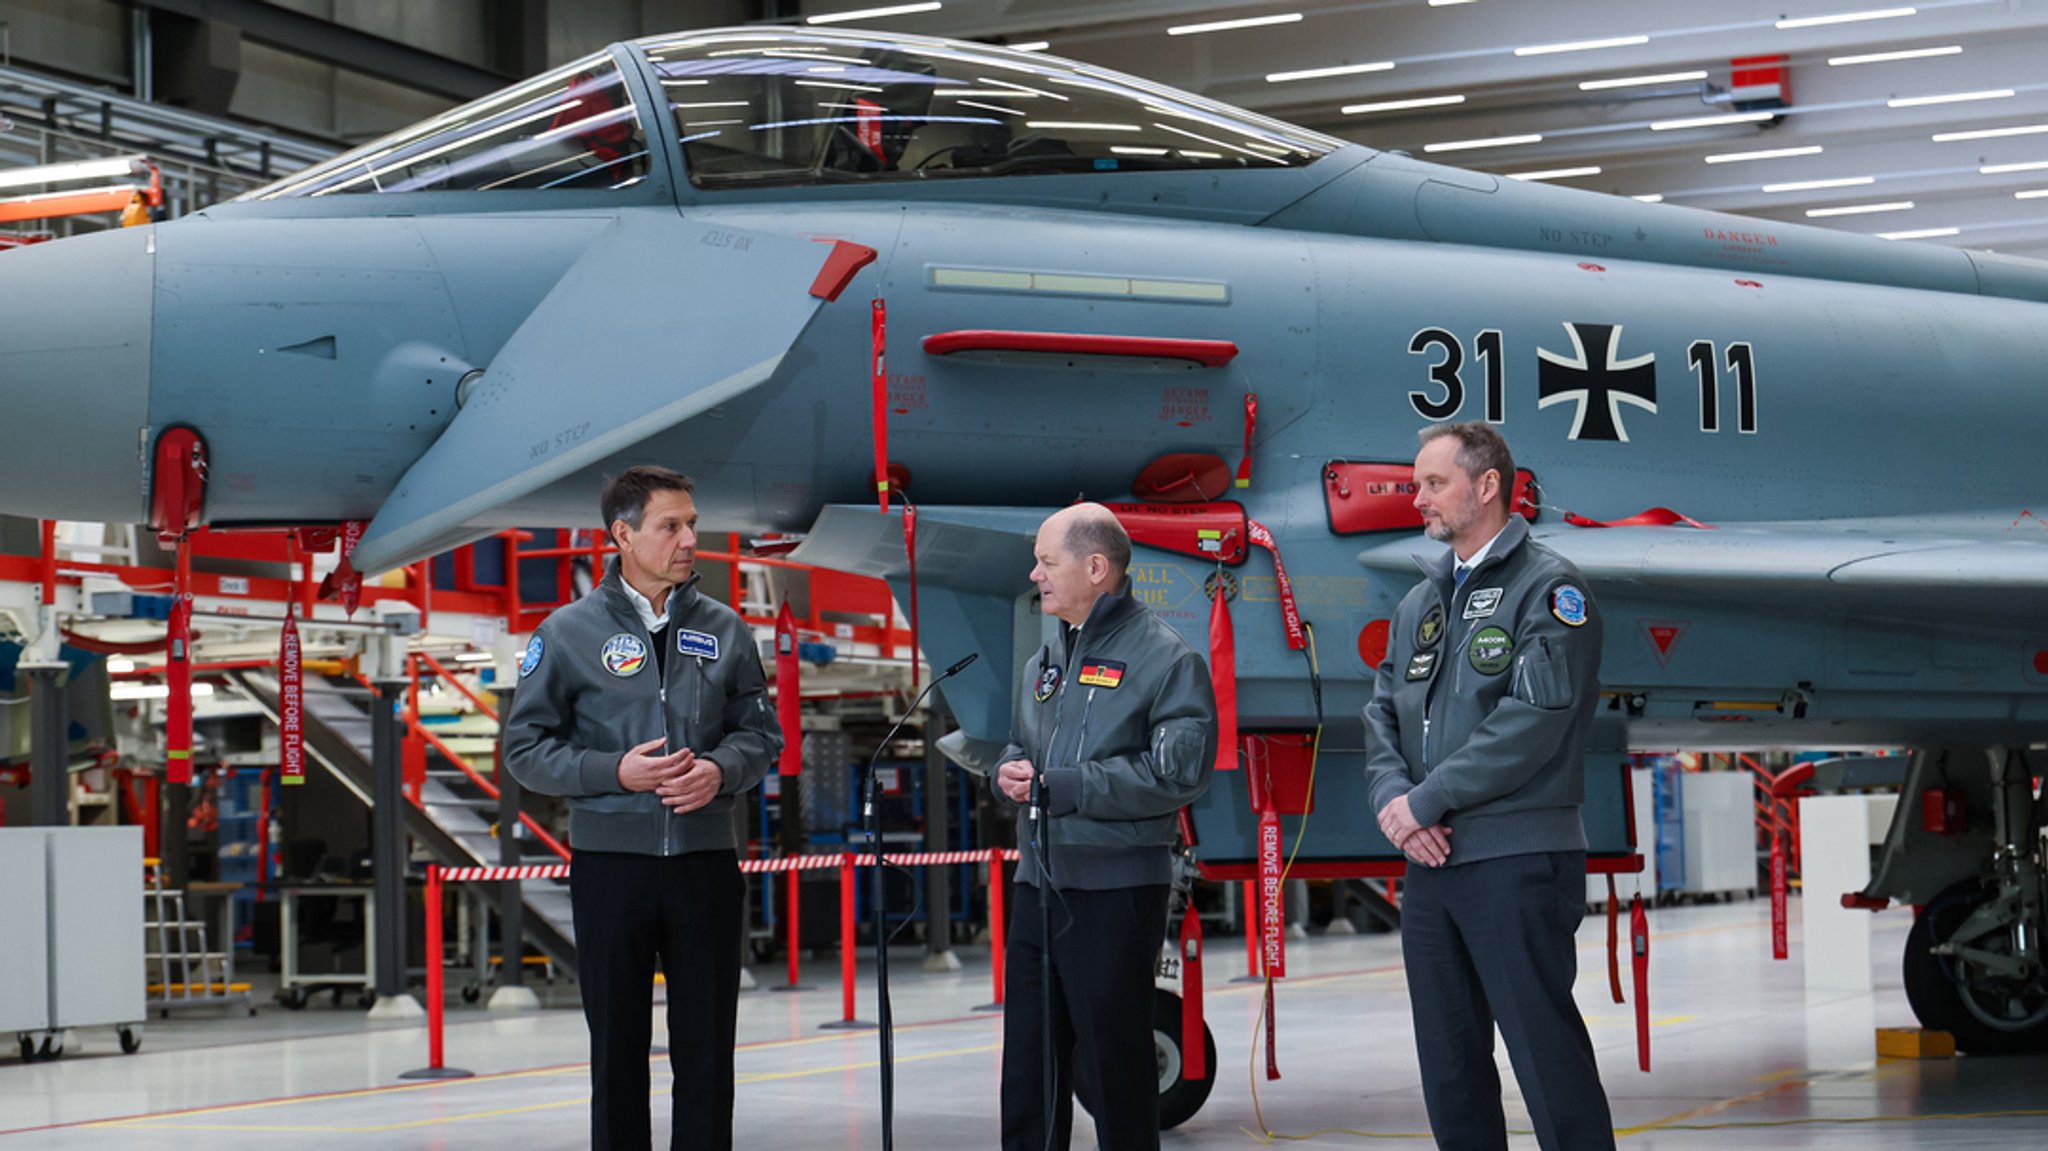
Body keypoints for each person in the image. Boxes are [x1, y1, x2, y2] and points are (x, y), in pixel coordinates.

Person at [504, 465, 780, 1151]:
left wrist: (720, 769)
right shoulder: (566, 633)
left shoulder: (726, 629)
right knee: (617, 1051)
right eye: (671, 525)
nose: (690, 538)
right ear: (622, 534)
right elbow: (525, 749)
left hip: (705, 864)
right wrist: (614, 772)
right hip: (611, 867)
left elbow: (762, 733)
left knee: (708, 1049)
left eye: (692, 523)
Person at [1362, 422, 1616, 1151]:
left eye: (1433, 483)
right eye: (1416, 485)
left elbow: (1532, 720)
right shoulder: (1421, 603)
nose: (1418, 500)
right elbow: (1381, 712)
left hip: (1516, 859)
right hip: (1431, 862)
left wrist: (1426, 800)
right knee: (1449, 1067)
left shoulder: (1551, 589)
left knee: (1546, 1059)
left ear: (1486, 485)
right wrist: (1394, 804)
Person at [993, 502, 1219, 1151]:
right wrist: (1009, 771)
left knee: (1114, 1072)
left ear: (1096, 567)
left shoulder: (1168, 660)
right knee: (1029, 1069)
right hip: (1038, 886)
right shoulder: (1045, 660)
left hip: (1114, 895)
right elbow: (1019, 744)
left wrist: (1069, 786)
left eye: (1045, 559)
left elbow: (1177, 776)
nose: (1034, 572)